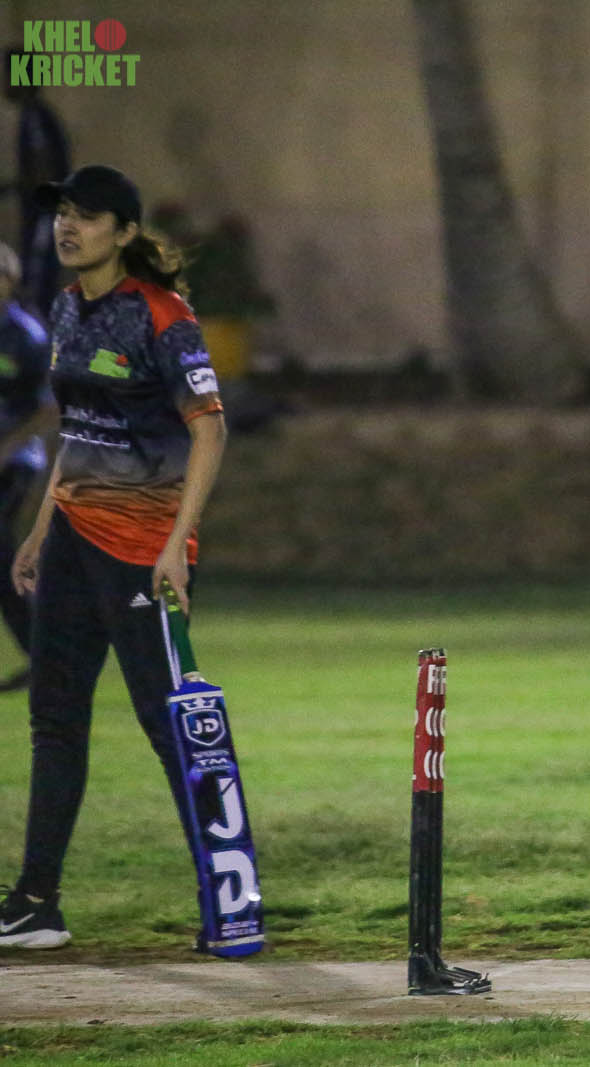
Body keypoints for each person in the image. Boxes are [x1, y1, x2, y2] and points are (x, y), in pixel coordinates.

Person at [0, 165, 227, 949]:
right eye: (62, 212)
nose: (67, 226)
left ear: (125, 232)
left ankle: (225, 900)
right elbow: (80, 427)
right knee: (54, 718)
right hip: (72, 541)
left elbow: (209, 428)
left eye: (86, 215)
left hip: (141, 551)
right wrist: (40, 529)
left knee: (169, 725)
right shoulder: (66, 306)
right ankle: (37, 901)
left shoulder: (162, 316)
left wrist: (177, 547)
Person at [0, 240, 56, 691]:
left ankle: (48, 656)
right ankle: (46, 657)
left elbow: (47, 409)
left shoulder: (26, 335)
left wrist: (5, 450)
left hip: (13, 462)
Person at [3, 56, 70, 317]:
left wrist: (15, 187)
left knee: (36, 286)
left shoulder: (34, 118)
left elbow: (43, 171)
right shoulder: (37, 115)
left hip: (44, 216)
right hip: (43, 216)